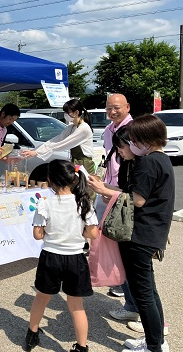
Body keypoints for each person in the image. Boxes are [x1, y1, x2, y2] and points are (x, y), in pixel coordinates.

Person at [25, 159, 98, 352]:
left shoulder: (45, 203)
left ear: (50, 180)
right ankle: (82, 347)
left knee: (41, 297)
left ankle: (32, 334)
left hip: (51, 256)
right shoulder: (84, 201)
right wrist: (77, 233)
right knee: (76, 305)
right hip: (76, 258)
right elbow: (93, 234)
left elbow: (38, 234)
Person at [120, 115, 173, 352]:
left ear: (144, 139)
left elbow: (138, 200)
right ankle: (158, 340)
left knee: (144, 294)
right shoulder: (162, 159)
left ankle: (153, 346)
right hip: (152, 234)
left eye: (133, 139)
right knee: (149, 291)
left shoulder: (149, 163)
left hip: (140, 236)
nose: (131, 143)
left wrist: (106, 191)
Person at [95, 93, 132, 299]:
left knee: (121, 239)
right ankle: (120, 283)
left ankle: (127, 293)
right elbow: (109, 160)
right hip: (109, 187)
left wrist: (116, 191)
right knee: (111, 238)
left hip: (123, 191)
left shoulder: (134, 129)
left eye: (116, 107)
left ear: (127, 107)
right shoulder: (109, 130)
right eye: (108, 108)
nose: (112, 112)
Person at [21, 98, 94, 183]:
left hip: (85, 164)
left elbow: (63, 144)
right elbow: (55, 140)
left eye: (68, 112)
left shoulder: (83, 128)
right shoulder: (71, 127)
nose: (66, 115)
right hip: (75, 163)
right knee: (76, 189)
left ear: (76, 112)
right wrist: (36, 150)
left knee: (86, 189)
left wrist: (38, 153)